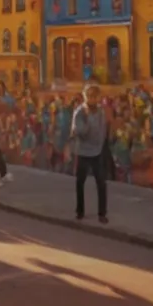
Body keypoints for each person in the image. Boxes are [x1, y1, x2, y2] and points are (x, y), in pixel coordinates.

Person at [70, 86, 109, 223]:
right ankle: (80, 211)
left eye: (95, 96)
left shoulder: (100, 112)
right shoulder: (80, 112)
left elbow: (103, 129)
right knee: (80, 182)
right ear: (85, 97)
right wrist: (88, 119)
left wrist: (100, 144)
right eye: (90, 96)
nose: (92, 99)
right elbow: (81, 132)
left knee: (101, 183)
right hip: (83, 151)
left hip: (97, 151)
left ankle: (102, 213)